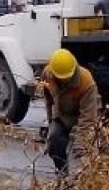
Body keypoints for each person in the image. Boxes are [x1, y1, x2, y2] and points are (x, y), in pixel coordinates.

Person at [39, 48, 101, 177]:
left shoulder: (86, 81)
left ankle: (93, 178)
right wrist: (50, 123)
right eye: (62, 78)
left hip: (85, 115)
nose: (65, 80)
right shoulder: (48, 74)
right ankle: (62, 173)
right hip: (63, 115)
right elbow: (48, 100)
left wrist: (81, 142)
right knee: (54, 142)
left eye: (67, 77)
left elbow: (88, 117)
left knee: (94, 147)